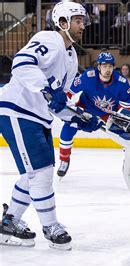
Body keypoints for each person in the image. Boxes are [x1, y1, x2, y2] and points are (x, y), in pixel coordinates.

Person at [0, 1, 101, 250]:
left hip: (36, 117)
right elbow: (22, 63)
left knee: (32, 174)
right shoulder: (49, 38)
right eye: (77, 21)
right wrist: (46, 90)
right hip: (17, 111)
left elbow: (58, 102)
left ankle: (9, 220)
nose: (82, 26)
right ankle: (50, 226)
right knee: (41, 172)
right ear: (62, 23)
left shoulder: (71, 56)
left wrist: (78, 118)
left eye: (83, 21)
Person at [57, 51, 130, 177]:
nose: (107, 69)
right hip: (86, 107)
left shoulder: (121, 83)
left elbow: (128, 107)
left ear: (114, 67)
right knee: (69, 126)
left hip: (108, 114)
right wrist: (64, 105)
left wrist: (125, 121)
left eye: (110, 66)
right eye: (104, 66)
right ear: (99, 67)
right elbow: (69, 92)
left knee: (127, 136)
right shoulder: (88, 77)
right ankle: (64, 160)